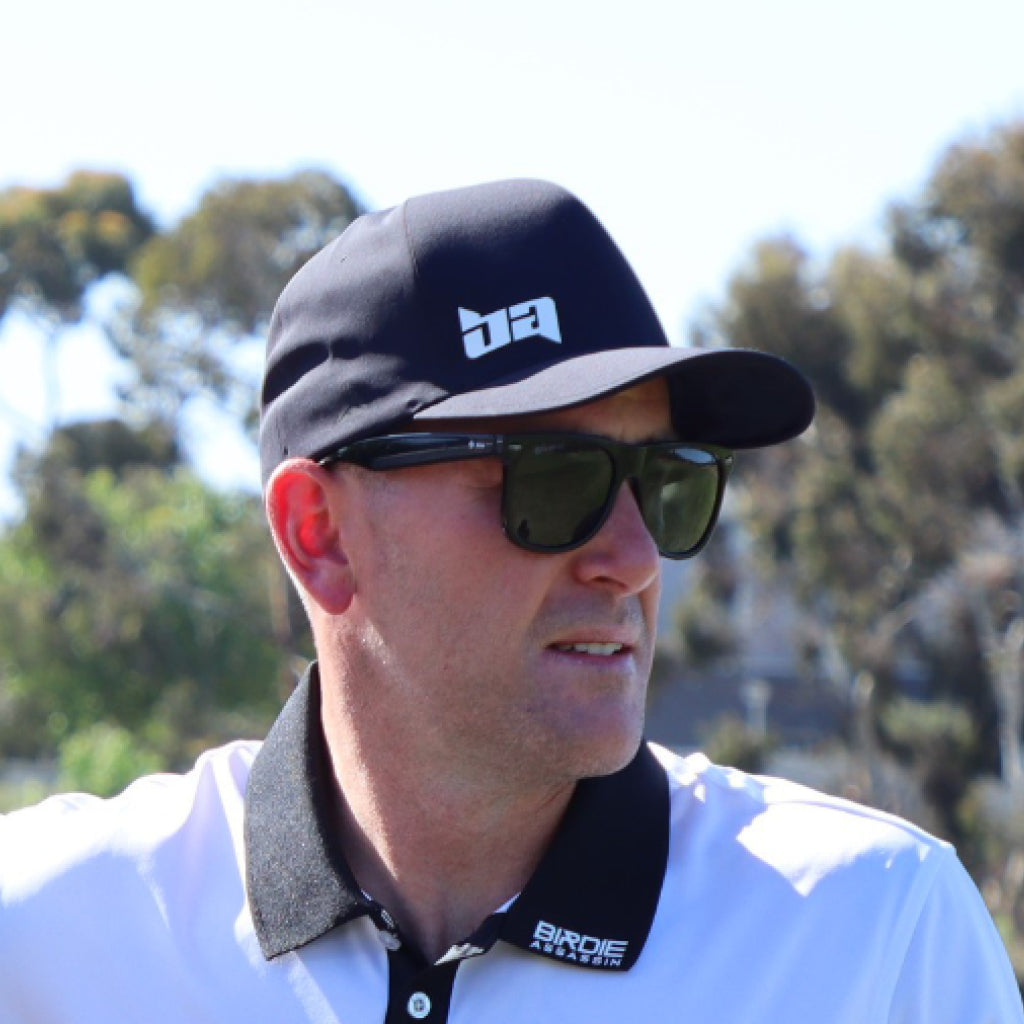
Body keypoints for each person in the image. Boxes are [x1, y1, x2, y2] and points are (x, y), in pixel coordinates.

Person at [0, 178, 1020, 1023]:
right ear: (320, 533)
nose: (631, 557)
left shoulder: (876, 936)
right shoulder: (46, 933)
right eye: (551, 479)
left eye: (665, 481)